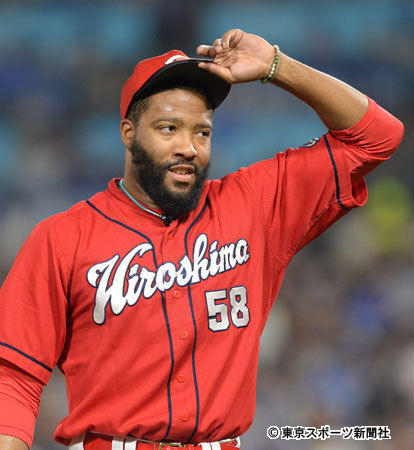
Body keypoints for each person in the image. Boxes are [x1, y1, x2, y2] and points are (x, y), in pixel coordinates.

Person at [0, 29, 404, 450]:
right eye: (168, 128)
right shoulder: (63, 238)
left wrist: (276, 66)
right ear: (128, 133)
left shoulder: (252, 206)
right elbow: (13, 377)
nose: (188, 147)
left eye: (202, 132)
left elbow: (378, 136)